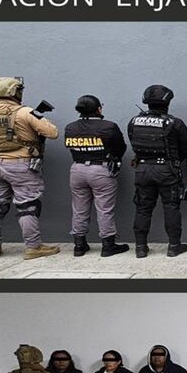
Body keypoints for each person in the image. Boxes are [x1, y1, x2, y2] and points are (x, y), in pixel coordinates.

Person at [0, 76, 60, 261]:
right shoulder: (26, 112)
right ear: (14, 92)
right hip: (22, 166)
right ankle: (33, 247)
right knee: (27, 207)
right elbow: (52, 133)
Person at [128, 84, 187, 258]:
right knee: (171, 207)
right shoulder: (174, 122)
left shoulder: (134, 121)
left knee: (142, 208)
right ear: (167, 102)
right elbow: (186, 148)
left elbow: (133, 141)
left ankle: (140, 248)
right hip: (167, 169)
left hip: (142, 169)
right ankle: (174, 246)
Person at [64, 94, 129, 257]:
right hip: (101, 170)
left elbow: (70, 147)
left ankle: (79, 245)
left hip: (77, 169)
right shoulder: (109, 126)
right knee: (105, 209)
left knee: (79, 209)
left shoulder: (70, 127)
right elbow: (120, 148)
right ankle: (108, 246)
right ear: (98, 108)